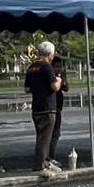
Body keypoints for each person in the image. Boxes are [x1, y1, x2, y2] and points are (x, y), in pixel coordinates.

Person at [24, 41, 63, 177]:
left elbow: (27, 89)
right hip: (47, 107)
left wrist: (38, 87)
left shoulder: (31, 68)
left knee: (41, 136)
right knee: (45, 138)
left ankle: (46, 163)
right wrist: (59, 81)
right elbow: (54, 87)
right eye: (53, 54)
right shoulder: (47, 67)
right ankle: (40, 166)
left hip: (36, 107)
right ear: (50, 54)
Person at [49, 53, 70, 169]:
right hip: (52, 107)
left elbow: (66, 88)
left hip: (58, 107)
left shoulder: (59, 76)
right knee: (53, 134)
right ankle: (49, 157)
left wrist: (63, 77)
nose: (58, 69)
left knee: (56, 134)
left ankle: (50, 156)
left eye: (59, 67)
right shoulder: (50, 77)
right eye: (56, 66)